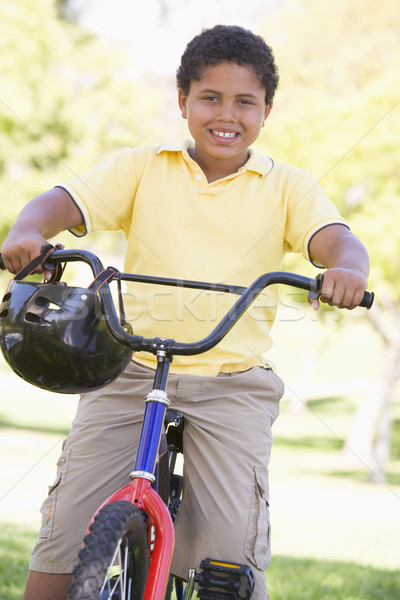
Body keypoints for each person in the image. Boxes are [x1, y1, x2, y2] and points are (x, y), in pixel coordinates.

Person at [1, 24, 369, 600]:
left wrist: (347, 270)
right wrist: (28, 229)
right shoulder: (145, 166)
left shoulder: (289, 188)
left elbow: (337, 241)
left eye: (245, 101)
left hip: (232, 382)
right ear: (183, 102)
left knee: (230, 565)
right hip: (131, 368)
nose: (228, 114)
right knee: (68, 530)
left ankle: (218, 566)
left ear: (267, 110)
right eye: (210, 97)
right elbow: (60, 203)